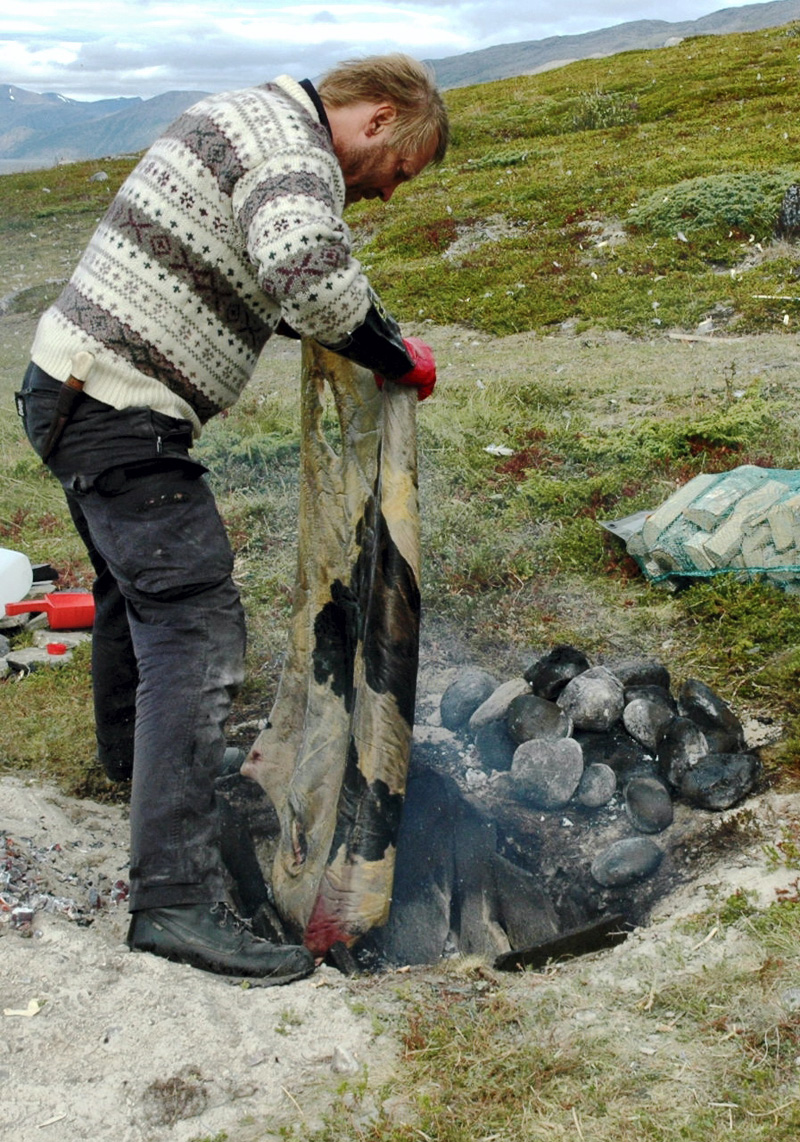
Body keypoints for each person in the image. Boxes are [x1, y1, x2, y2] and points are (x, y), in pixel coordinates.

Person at [16, 54, 449, 983]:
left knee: (136, 598)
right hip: (116, 408)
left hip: (72, 387)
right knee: (198, 625)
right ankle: (172, 901)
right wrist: (391, 353)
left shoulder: (252, 123)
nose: (381, 195)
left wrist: (374, 332)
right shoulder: (296, 155)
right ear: (378, 120)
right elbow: (306, 269)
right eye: (398, 170)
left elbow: (280, 274)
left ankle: (134, 776)